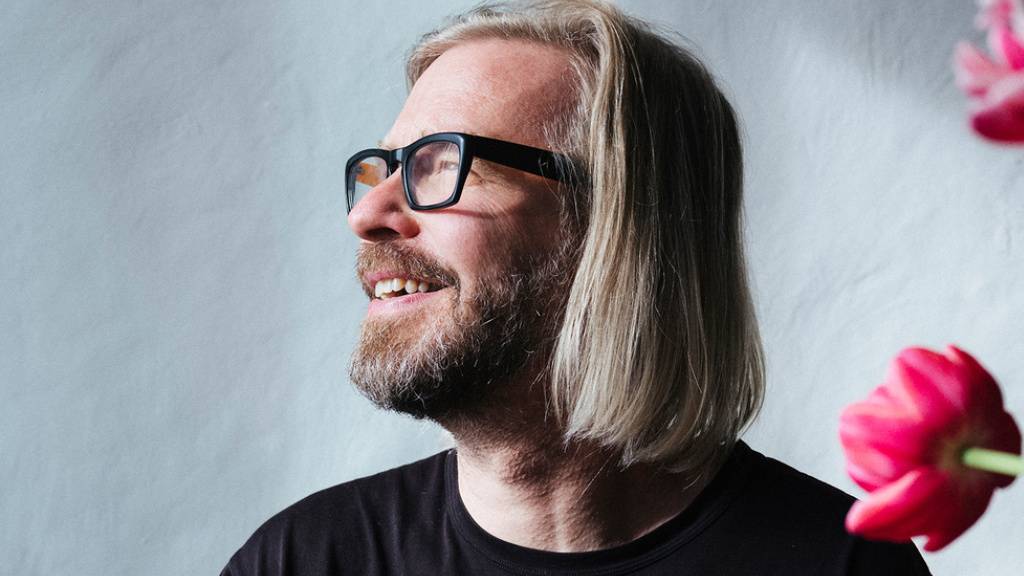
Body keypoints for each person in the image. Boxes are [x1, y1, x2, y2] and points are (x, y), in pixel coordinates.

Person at [222, 1, 931, 574]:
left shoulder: (845, 565)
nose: (366, 214)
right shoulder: (301, 560)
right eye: (384, 168)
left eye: (441, 165)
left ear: (617, 226)